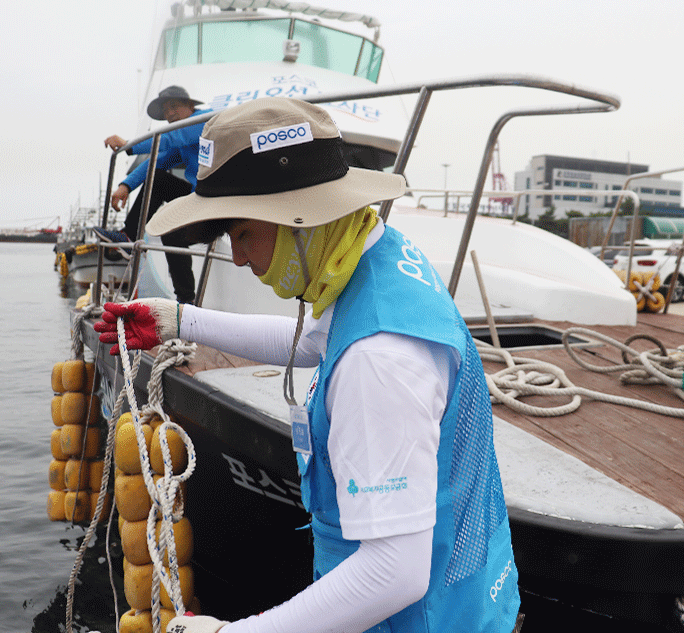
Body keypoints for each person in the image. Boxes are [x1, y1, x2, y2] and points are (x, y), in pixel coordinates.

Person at [94, 98, 520, 633]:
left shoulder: (377, 362)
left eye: (243, 232)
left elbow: (395, 573)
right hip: (470, 601)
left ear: (301, 217)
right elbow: (317, 341)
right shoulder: (382, 262)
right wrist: (180, 320)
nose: (240, 256)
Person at [99, 85, 209, 303]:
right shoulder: (184, 140)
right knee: (171, 228)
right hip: (201, 197)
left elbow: (168, 139)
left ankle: (129, 235)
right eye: (166, 111)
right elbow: (157, 160)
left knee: (160, 182)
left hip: (216, 196)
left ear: (190, 106)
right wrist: (126, 186)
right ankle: (187, 303)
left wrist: (129, 145)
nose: (169, 114)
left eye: (174, 107)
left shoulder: (203, 121)